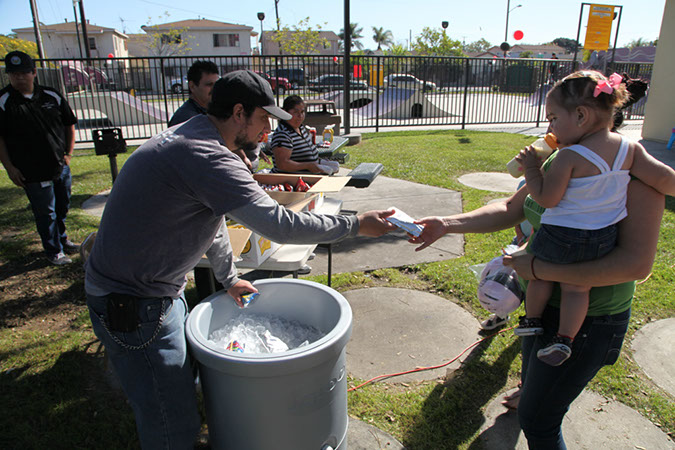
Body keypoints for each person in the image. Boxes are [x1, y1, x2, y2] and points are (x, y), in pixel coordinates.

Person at [84, 69, 395, 449]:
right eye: (263, 119)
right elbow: (278, 225)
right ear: (237, 113)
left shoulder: (195, 137)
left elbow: (210, 220)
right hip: (132, 304)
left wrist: (229, 278)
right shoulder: (206, 155)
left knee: (177, 396)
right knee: (171, 420)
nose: (267, 131)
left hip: (155, 292)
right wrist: (355, 224)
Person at [409, 171, 666, 448]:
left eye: (555, 123)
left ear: (591, 123)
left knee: (539, 421)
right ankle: (529, 391)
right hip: (539, 307)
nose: (549, 128)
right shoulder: (556, 158)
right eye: (550, 122)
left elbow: (637, 264)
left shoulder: (633, 174)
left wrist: (539, 269)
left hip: (588, 322)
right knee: (534, 382)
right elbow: (511, 208)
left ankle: (533, 398)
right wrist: (446, 224)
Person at [512, 70, 675, 366]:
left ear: (580, 116)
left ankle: (531, 320)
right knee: (578, 288)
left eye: (553, 119)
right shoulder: (630, 149)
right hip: (601, 238)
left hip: (559, 235)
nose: (551, 127)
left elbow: (547, 198)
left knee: (539, 276)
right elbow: (665, 179)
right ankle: (565, 339)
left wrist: (532, 169)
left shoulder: (568, 157)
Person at [0, 51, 79, 265]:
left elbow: (69, 124)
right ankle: (54, 251)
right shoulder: (4, 101)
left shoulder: (50, 95)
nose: (19, 77)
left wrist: (68, 154)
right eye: (14, 73)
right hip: (31, 170)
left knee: (62, 206)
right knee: (46, 212)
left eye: (24, 72)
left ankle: (63, 240)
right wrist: (9, 168)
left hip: (60, 165)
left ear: (34, 73)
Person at [270, 95, 340, 175]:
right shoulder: (282, 134)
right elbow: (282, 164)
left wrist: (321, 162)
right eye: (295, 112)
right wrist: (307, 166)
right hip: (292, 181)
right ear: (285, 112)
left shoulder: (300, 128)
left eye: (302, 112)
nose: (300, 116)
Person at [167, 60, 219, 127]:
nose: (214, 88)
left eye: (216, 84)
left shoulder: (210, 111)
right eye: (209, 84)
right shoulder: (187, 119)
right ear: (192, 86)